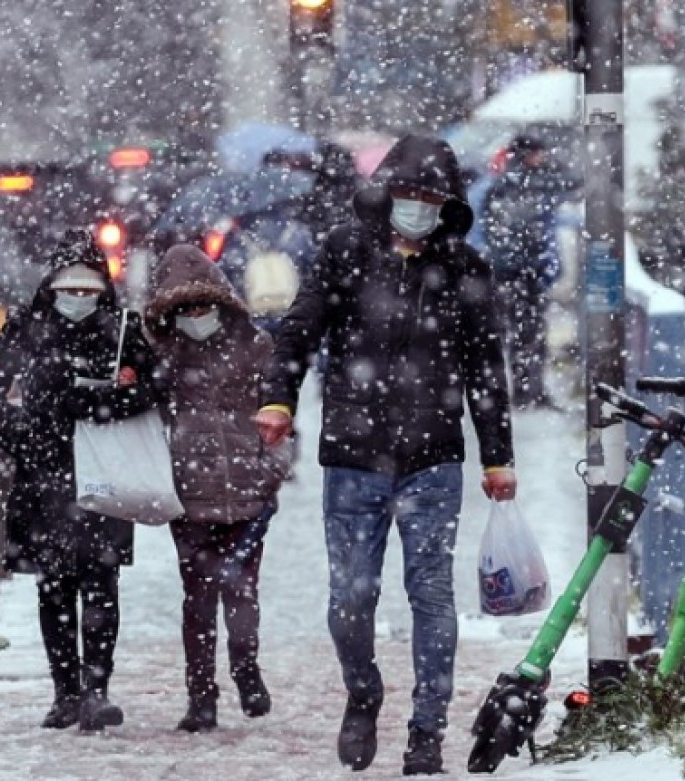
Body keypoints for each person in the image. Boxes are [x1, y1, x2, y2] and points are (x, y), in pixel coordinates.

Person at [256, 134, 518, 776]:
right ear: (388, 193)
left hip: (434, 458)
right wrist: (278, 401)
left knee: (430, 593)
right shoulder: (345, 252)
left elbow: (486, 369)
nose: (418, 207)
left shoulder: (465, 270)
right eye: (409, 194)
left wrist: (497, 456)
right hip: (352, 456)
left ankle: (427, 730)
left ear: (447, 203)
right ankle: (363, 691)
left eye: (431, 197)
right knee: (349, 601)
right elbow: (301, 327)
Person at [0, 231, 157, 732]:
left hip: (105, 472)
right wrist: (22, 434)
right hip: (43, 476)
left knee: (101, 583)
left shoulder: (123, 330)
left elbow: (154, 386)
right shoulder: (26, 328)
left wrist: (104, 403)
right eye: (69, 288)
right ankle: (65, 692)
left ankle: (96, 690)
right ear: (51, 286)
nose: (78, 299)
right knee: (54, 586)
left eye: (88, 289)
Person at [144, 244, 291, 733]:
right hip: (189, 497)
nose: (195, 316)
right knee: (198, 598)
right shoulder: (160, 355)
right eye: (183, 309)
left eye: (202, 306)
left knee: (242, 591)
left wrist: (269, 473)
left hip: (248, 493)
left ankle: (246, 669)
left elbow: (281, 414)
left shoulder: (255, 345)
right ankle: (200, 695)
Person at [480, 133, 578, 407]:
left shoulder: (503, 185)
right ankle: (529, 391)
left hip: (515, 271)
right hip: (522, 272)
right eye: (538, 153)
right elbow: (528, 227)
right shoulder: (522, 185)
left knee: (522, 332)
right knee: (528, 333)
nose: (542, 158)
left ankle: (527, 390)